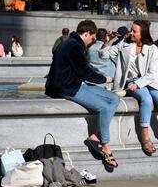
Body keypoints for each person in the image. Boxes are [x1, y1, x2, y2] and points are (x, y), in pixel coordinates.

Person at [45, 20, 120, 168]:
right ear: (86, 34)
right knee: (104, 107)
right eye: (92, 38)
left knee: (114, 98)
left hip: (75, 84)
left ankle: (95, 137)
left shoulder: (72, 43)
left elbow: (82, 71)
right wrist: (104, 79)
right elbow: (84, 71)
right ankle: (105, 145)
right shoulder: (73, 46)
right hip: (67, 88)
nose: (92, 42)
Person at [99, 20, 158, 156]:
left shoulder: (152, 49)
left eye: (134, 31)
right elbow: (103, 55)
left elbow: (153, 73)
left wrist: (138, 84)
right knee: (146, 99)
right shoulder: (124, 44)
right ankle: (145, 136)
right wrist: (107, 41)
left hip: (152, 81)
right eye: (131, 30)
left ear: (142, 34)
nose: (131, 33)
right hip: (132, 80)